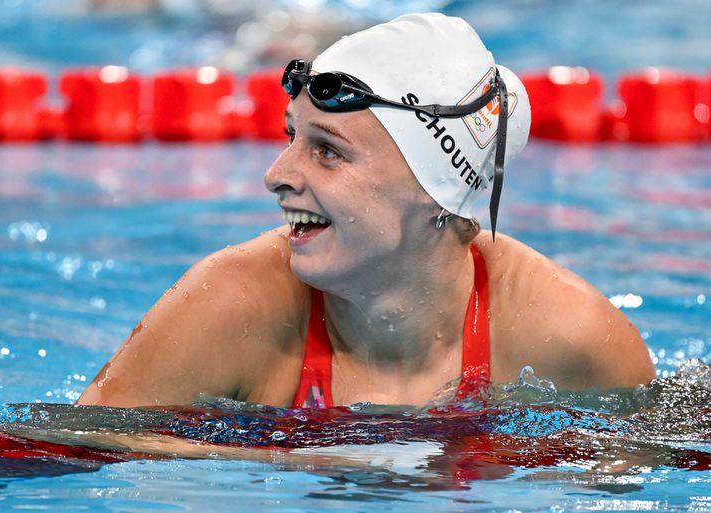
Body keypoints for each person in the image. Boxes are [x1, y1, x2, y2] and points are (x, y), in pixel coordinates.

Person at [77, 13, 655, 410]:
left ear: (437, 192)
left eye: (328, 150)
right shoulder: (233, 306)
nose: (276, 175)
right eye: (291, 137)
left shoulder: (567, 338)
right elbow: (41, 455)